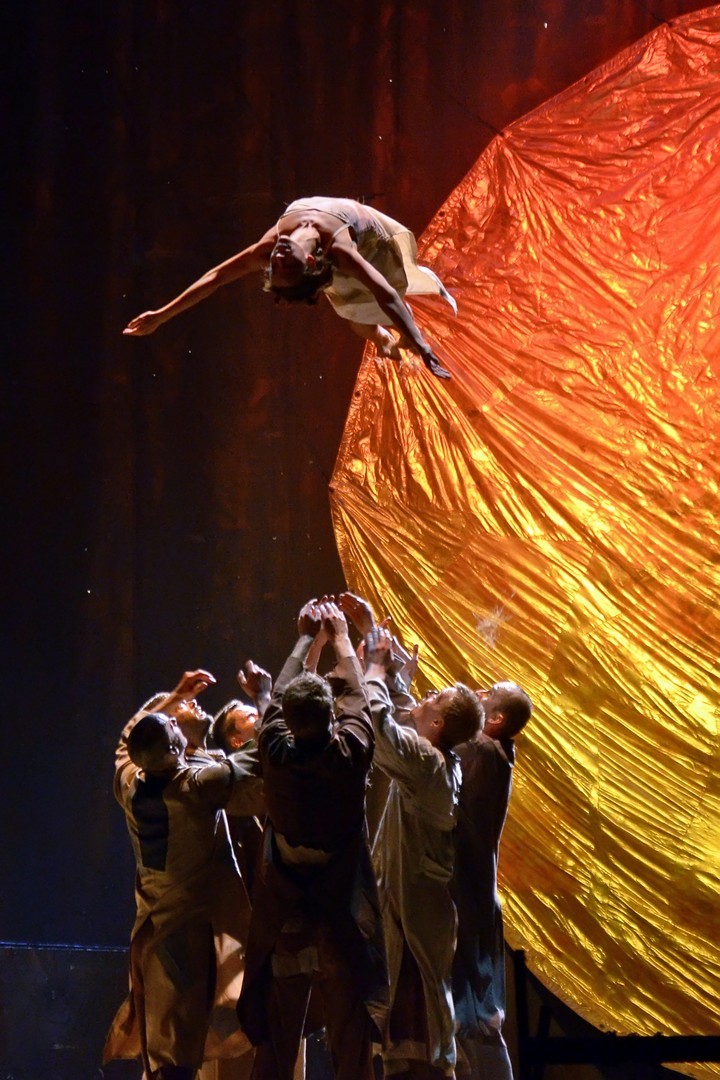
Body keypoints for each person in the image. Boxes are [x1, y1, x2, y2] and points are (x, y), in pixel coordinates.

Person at [237, 600, 388, 1080]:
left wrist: (307, 638)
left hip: (288, 914)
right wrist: (341, 637)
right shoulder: (350, 753)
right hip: (340, 917)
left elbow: (277, 700)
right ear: (330, 719)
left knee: (277, 1041)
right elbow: (359, 700)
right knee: (349, 1041)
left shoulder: (275, 752)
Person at [104, 670, 265, 1080]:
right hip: (185, 941)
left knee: (169, 1045)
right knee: (177, 1055)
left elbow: (126, 741)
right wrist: (265, 698)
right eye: (173, 724)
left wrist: (173, 694)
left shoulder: (130, 784)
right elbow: (257, 758)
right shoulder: (196, 787)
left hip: (153, 930)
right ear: (177, 750)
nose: (178, 715)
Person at [123, 196, 454, 379]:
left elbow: (216, 277)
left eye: (275, 266)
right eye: (287, 266)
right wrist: (423, 345)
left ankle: (385, 337)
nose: (279, 258)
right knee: (358, 306)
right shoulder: (339, 248)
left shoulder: (268, 248)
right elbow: (385, 293)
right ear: (308, 261)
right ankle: (383, 337)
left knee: (354, 306)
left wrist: (161, 314)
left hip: (365, 240)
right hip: (371, 248)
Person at [363, 623, 483, 1079]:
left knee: (416, 1021)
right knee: (411, 1019)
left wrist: (375, 668)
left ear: (438, 725)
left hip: (414, 911)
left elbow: (382, 730)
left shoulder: (429, 763)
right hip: (414, 906)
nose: (425, 696)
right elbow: (404, 720)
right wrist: (398, 678)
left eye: (434, 697)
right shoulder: (436, 757)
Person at [450, 682, 532, 1080]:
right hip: (475, 891)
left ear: (496, 719)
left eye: (488, 694)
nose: (478, 692)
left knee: (472, 1010)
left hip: (465, 892)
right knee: (475, 1008)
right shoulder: (496, 752)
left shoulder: (480, 751)